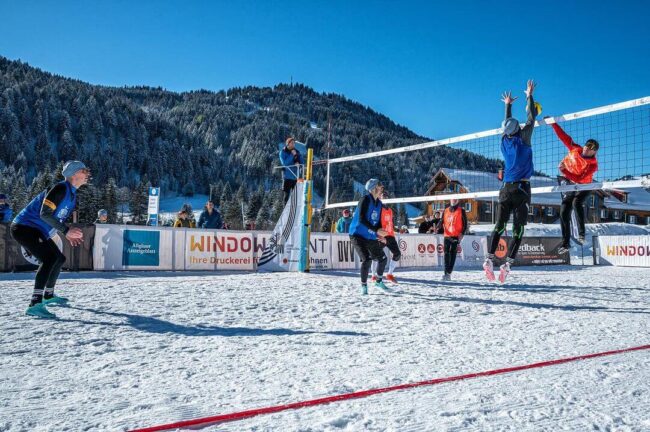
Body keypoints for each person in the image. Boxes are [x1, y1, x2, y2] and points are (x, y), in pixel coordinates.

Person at [11, 160, 89, 318]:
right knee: (49, 258)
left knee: (58, 258)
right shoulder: (60, 188)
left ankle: (48, 295)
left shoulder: (71, 195)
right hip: (24, 227)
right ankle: (35, 304)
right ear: (74, 174)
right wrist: (66, 231)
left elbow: (55, 218)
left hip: (36, 229)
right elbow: (44, 214)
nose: (87, 173)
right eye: (84, 171)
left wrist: (66, 232)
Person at [483, 79, 538, 283]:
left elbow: (508, 124)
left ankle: (489, 259)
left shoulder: (504, 141)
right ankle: (507, 264)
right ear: (517, 128)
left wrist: (507, 105)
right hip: (521, 189)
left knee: (499, 224)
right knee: (518, 230)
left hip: (505, 189)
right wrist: (529, 95)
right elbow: (531, 118)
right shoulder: (524, 137)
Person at [551, 121, 599, 254]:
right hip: (571, 183)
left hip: (585, 185)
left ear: (594, 151)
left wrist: (563, 170)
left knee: (577, 202)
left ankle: (582, 234)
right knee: (564, 211)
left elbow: (580, 179)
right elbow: (563, 137)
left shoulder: (593, 165)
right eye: (587, 145)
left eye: (590, 148)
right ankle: (566, 243)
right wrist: (553, 124)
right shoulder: (575, 149)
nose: (587, 148)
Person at [349, 178, 391, 295]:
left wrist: (380, 232)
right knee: (367, 260)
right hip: (357, 235)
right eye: (379, 185)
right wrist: (377, 230)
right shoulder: (365, 200)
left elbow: (376, 221)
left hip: (370, 235)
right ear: (373, 189)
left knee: (383, 259)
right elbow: (362, 219)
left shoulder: (379, 203)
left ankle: (378, 281)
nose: (381, 187)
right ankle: (363, 285)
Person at [371, 192, 401, 284]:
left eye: (387, 196)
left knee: (397, 254)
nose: (385, 198)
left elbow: (389, 223)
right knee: (376, 255)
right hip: (381, 235)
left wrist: (396, 229)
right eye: (383, 196)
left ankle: (389, 274)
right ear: (380, 198)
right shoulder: (378, 209)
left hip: (390, 235)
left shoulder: (390, 210)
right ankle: (373, 275)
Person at [441, 198, 468, 281]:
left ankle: (449, 272)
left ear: (458, 201)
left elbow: (465, 224)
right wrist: (437, 227)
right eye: (452, 199)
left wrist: (462, 233)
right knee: (446, 254)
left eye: (455, 199)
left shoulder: (461, 210)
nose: (453, 200)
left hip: (456, 236)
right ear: (450, 200)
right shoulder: (445, 210)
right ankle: (446, 273)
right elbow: (441, 221)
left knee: (453, 253)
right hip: (447, 235)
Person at [279, 136, 304, 203]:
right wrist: (292, 155)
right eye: (292, 143)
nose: (293, 144)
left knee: (296, 195)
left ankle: (294, 209)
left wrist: (299, 163)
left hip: (296, 177)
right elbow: (284, 163)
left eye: (294, 143)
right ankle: (285, 210)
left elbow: (302, 162)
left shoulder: (297, 152)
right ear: (288, 144)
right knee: (286, 195)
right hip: (287, 177)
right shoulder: (283, 152)